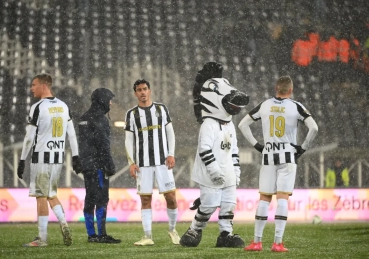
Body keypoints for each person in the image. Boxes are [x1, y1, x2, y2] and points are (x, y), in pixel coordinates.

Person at [238, 76, 318, 252]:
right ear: (290, 90)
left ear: (276, 88)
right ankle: (277, 243)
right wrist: (303, 147)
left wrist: (257, 145)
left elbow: (243, 124)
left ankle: (257, 242)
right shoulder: (296, 106)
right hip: (288, 156)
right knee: (282, 197)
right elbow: (314, 128)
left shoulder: (265, 105)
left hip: (268, 155)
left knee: (265, 198)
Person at [179, 63, 249, 248]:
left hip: (228, 173)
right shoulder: (208, 124)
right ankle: (194, 229)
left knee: (228, 204)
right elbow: (204, 150)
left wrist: (236, 170)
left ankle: (226, 234)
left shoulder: (230, 123)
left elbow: (234, 149)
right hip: (210, 174)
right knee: (209, 205)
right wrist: (214, 171)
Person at [17, 73, 82, 247]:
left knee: (41, 196)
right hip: (58, 158)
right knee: (52, 195)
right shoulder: (63, 106)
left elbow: (29, 138)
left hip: (41, 158)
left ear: (44, 86)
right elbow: (72, 135)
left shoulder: (38, 107)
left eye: (33, 84)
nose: (31, 88)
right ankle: (64, 223)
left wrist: (22, 159)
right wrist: (75, 157)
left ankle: (42, 238)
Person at [124, 79, 180, 246]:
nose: (142, 92)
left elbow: (170, 133)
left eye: (145, 89)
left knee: (170, 197)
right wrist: (131, 162)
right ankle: (147, 236)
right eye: (139, 90)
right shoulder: (131, 114)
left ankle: (172, 230)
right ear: (135, 93)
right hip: (143, 164)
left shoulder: (161, 109)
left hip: (163, 162)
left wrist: (171, 154)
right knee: (145, 199)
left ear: (150, 91)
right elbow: (128, 140)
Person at [78, 88, 121, 243]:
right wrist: (109, 165)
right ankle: (102, 234)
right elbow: (103, 145)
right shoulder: (100, 119)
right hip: (99, 166)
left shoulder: (83, 118)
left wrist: (80, 162)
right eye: (109, 99)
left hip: (87, 166)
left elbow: (80, 145)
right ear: (103, 100)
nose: (110, 103)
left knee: (89, 198)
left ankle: (91, 235)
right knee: (102, 198)